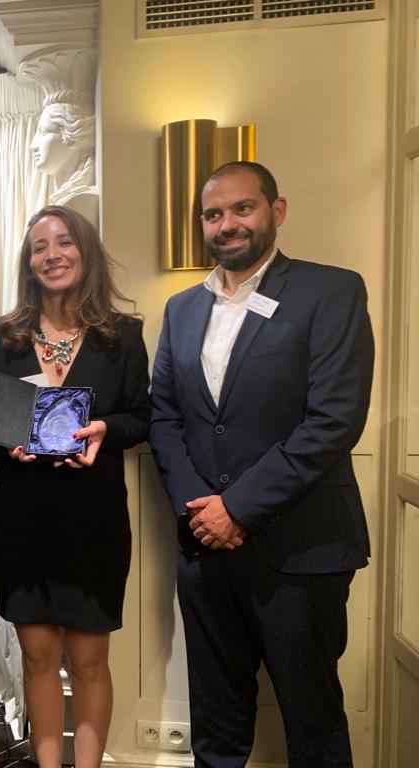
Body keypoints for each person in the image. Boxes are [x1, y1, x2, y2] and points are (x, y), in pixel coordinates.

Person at [149, 161, 374, 768]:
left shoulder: (331, 291)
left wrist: (238, 508)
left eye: (242, 208)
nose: (227, 224)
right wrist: (203, 512)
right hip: (206, 549)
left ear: (276, 211)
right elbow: (165, 417)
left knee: (313, 723)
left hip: (300, 549)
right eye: (213, 214)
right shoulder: (180, 309)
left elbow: (333, 421)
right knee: (216, 726)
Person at [0, 206, 149, 768]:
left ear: (85, 252)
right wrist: (8, 441)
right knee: (36, 657)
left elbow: (143, 417)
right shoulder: (0, 338)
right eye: (40, 247)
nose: (52, 255)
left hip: (93, 520)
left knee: (89, 661)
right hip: (23, 519)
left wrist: (106, 429)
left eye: (64, 242)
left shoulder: (122, 336)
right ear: (28, 262)